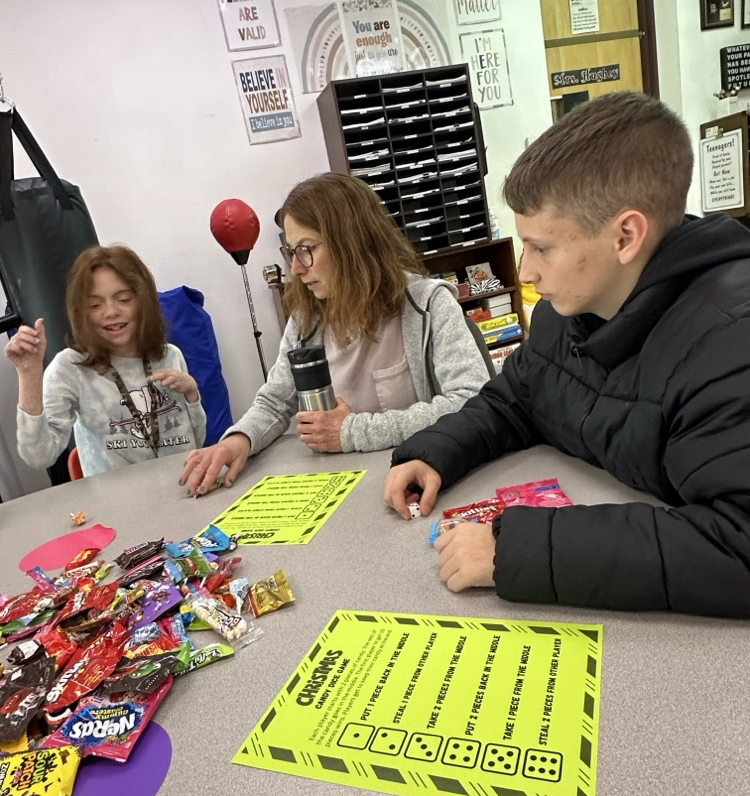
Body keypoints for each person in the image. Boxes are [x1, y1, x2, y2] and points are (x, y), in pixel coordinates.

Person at [385, 90, 750, 619]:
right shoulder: (567, 306)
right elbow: (518, 397)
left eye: (543, 247)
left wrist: (514, 549)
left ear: (626, 235)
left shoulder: (731, 341)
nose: (526, 271)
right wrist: (440, 449)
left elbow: (738, 544)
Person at [181, 172, 490, 495]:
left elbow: (472, 401)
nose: (296, 269)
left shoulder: (428, 304)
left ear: (351, 243)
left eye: (306, 249)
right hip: (345, 486)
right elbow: (274, 402)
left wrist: (352, 432)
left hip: (420, 480)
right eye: (290, 252)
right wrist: (238, 439)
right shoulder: (307, 318)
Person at [6, 244, 206, 477]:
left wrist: (192, 394)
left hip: (183, 489)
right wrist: (29, 373)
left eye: (123, 299)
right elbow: (39, 455)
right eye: (95, 305)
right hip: (118, 506)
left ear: (143, 302)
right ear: (81, 312)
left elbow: (196, 443)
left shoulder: (169, 355)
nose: (111, 311)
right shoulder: (70, 368)